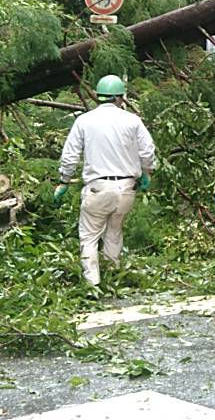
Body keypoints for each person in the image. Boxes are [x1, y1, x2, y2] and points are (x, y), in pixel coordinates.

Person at [55, 75, 156, 287]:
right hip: (126, 189)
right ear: (120, 97)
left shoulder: (84, 120)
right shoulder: (132, 120)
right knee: (114, 232)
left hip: (98, 189)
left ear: (98, 96)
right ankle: (113, 277)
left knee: (89, 236)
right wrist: (147, 173)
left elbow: (70, 155)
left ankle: (93, 284)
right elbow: (147, 151)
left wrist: (64, 181)